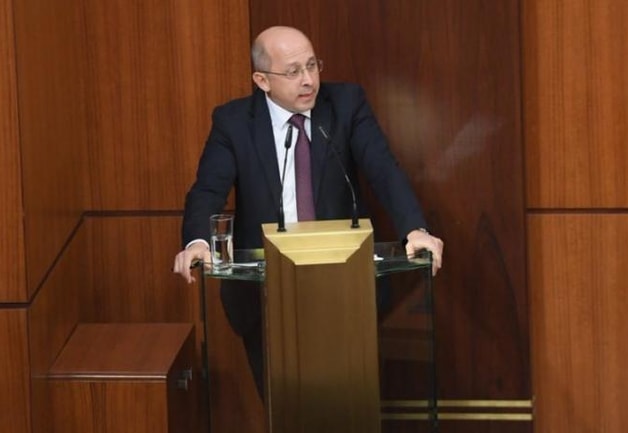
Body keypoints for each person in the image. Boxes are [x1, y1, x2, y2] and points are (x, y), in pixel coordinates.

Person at [173, 25, 444, 398]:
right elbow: (208, 190)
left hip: (345, 289)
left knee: (348, 407)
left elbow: (383, 169)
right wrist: (198, 242)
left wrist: (414, 229)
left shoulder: (346, 104)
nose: (308, 80)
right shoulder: (234, 122)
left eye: (312, 66)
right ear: (262, 80)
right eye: (293, 71)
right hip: (266, 296)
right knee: (284, 407)